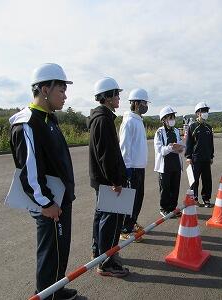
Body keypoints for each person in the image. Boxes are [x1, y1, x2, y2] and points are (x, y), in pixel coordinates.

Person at [9, 63, 78, 299]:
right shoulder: (28, 122)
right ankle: (45, 295)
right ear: (44, 89)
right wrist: (46, 203)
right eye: (61, 90)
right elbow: (29, 170)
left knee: (60, 250)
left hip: (59, 199)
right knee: (50, 253)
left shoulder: (49, 119)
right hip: (49, 204)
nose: (65, 96)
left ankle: (56, 290)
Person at [88, 77, 129, 277]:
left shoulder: (101, 118)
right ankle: (107, 262)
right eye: (116, 94)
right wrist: (115, 181)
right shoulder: (103, 120)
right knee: (111, 222)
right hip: (108, 181)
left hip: (102, 180)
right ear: (107, 97)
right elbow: (106, 155)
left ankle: (99, 254)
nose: (119, 98)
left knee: (101, 218)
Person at [119, 88, 150, 241]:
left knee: (138, 199)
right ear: (136, 103)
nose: (146, 106)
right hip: (132, 168)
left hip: (139, 167)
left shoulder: (138, 120)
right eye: (144, 103)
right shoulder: (129, 121)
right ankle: (125, 228)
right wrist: (127, 168)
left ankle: (131, 222)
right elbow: (125, 147)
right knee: (131, 199)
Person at [154, 106, 185, 217]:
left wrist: (181, 147)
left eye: (173, 117)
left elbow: (181, 144)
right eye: (170, 117)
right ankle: (164, 208)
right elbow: (159, 150)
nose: (172, 119)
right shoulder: (159, 132)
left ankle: (173, 208)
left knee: (175, 187)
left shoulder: (176, 130)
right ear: (164, 119)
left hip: (175, 163)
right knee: (165, 188)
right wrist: (171, 147)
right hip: (165, 164)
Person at [185, 102, 214, 208]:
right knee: (194, 180)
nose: (206, 113)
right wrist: (188, 156)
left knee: (207, 180)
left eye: (207, 111)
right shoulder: (192, 127)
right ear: (198, 113)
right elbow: (189, 143)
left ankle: (206, 199)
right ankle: (195, 199)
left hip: (206, 158)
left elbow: (211, 143)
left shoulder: (208, 127)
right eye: (203, 111)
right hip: (195, 158)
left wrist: (211, 156)